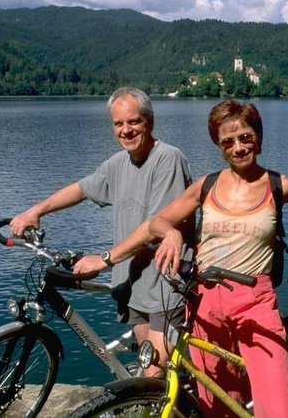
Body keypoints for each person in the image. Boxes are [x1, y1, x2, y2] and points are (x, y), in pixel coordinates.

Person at [150, 100, 288, 418]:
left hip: (256, 304)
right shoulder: (205, 186)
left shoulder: (279, 186)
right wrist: (172, 234)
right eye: (227, 141)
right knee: (219, 406)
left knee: (277, 410)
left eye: (246, 137)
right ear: (218, 146)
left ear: (258, 137)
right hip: (205, 302)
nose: (238, 148)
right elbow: (158, 221)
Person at [10, 87, 192, 376]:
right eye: (118, 124)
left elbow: (155, 228)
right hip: (133, 283)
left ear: (150, 122)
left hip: (165, 284)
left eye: (134, 122)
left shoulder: (168, 159)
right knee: (151, 369)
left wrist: (105, 259)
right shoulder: (118, 163)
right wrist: (36, 211)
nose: (126, 130)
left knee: (155, 371)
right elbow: (82, 188)